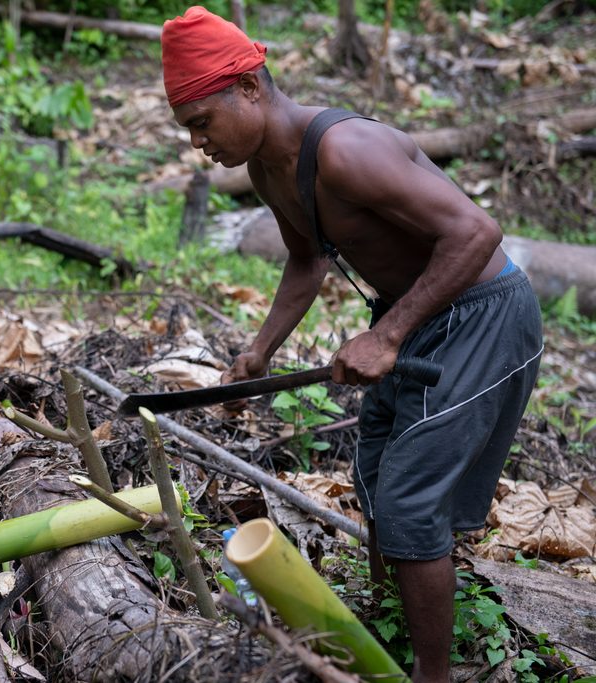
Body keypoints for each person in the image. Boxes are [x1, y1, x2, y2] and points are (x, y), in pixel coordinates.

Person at [160, 7, 543, 682]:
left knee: (410, 499)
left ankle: (432, 672)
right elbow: (305, 264)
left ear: (249, 87)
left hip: (485, 316)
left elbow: (477, 232)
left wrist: (388, 333)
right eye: (188, 129)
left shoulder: (344, 150)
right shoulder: (268, 170)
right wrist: (259, 353)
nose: (198, 143)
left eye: (202, 122)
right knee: (374, 467)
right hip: (423, 312)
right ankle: (388, 616)